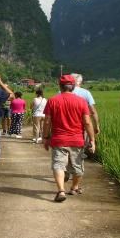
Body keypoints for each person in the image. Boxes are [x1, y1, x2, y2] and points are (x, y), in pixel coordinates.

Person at [43, 74, 96, 202]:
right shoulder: (81, 101)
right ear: (73, 86)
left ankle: (61, 191)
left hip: (58, 140)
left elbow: (47, 121)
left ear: (60, 86)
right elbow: (87, 122)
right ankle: (74, 187)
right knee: (78, 167)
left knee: (58, 165)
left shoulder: (52, 100)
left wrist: (45, 137)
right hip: (77, 140)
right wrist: (92, 140)